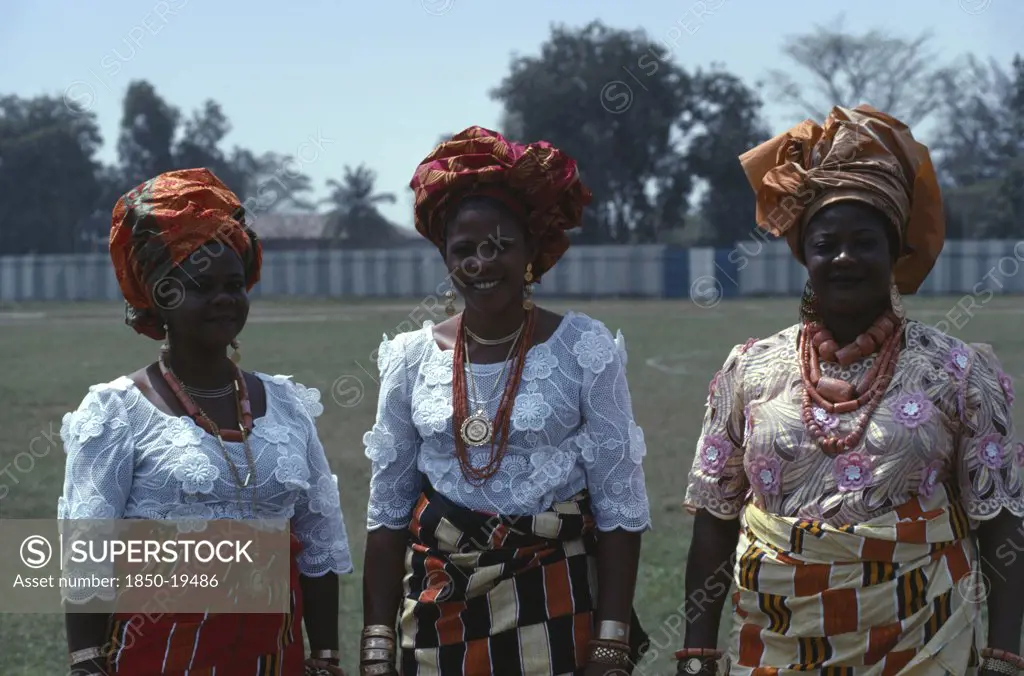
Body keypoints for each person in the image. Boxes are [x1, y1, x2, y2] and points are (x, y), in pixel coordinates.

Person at [675, 105, 1024, 676]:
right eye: (825, 243)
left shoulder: (959, 372)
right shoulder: (750, 368)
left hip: (923, 646)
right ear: (802, 254)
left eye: (864, 241)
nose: (843, 257)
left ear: (895, 252)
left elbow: (1002, 522)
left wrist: (1005, 657)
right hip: (774, 647)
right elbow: (715, 519)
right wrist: (696, 650)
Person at [358, 126, 652, 676]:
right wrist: (376, 639)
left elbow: (620, 506)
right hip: (438, 613)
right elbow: (389, 510)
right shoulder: (409, 357)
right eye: (463, 249)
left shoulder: (585, 349)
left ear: (531, 253)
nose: (481, 263)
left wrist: (611, 640)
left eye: (499, 246)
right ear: (445, 258)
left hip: (556, 602)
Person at [58, 168, 353, 676]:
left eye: (234, 285)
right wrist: (86, 662)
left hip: (274, 660)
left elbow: (319, 548)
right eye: (202, 285)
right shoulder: (116, 412)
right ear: (160, 296)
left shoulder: (284, 403)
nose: (224, 298)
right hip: (159, 658)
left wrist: (324, 656)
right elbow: (86, 552)